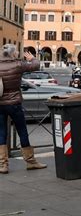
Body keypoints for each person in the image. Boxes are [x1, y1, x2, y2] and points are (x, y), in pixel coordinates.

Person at [0, 44, 47, 174]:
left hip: (0, 104)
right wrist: (32, 58)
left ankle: (3, 165)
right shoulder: (18, 65)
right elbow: (36, 66)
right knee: (22, 131)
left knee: (1, 133)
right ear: (12, 54)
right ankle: (31, 161)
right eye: (16, 52)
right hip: (14, 103)